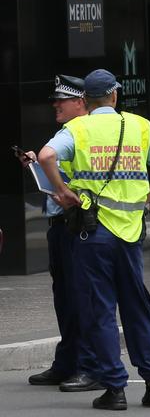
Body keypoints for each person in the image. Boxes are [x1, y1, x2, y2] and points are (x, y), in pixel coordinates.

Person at [37, 69, 150, 411]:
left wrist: (61, 191)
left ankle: (115, 389)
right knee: (138, 308)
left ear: (85, 100)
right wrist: (147, 196)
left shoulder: (78, 128)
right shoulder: (138, 126)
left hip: (93, 232)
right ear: (115, 96)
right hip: (130, 233)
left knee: (99, 310)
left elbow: (45, 156)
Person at [17, 75, 100, 392]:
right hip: (60, 226)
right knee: (65, 299)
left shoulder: (86, 133)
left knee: (83, 298)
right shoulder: (66, 133)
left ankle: (87, 365)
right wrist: (37, 165)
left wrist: (61, 186)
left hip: (79, 225)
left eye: (61, 100)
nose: (55, 105)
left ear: (80, 102)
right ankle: (67, 362)